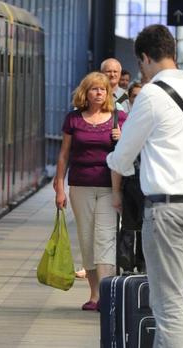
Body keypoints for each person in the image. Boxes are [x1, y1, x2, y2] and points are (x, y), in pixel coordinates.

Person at [106, 25, 183, 347]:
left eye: (141, 65)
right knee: (175, 299)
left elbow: (122, 158)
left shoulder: (150, 94)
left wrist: (115, 163)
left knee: (167, 303)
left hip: (164, 210)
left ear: (145, 58)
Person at [53, 71, 126, 311]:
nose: (99, 93)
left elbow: (130, 150)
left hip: (110, 186)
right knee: (86, 238)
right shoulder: (73, 119)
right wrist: (59, 186)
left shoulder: (119, 118)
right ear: (86, 91)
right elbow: (64, 154)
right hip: (80, 185)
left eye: (103, 89)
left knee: (105, 237)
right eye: (94, 89)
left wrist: (122, 138)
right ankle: (94, 294)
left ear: (108, 93)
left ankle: (107, 294)